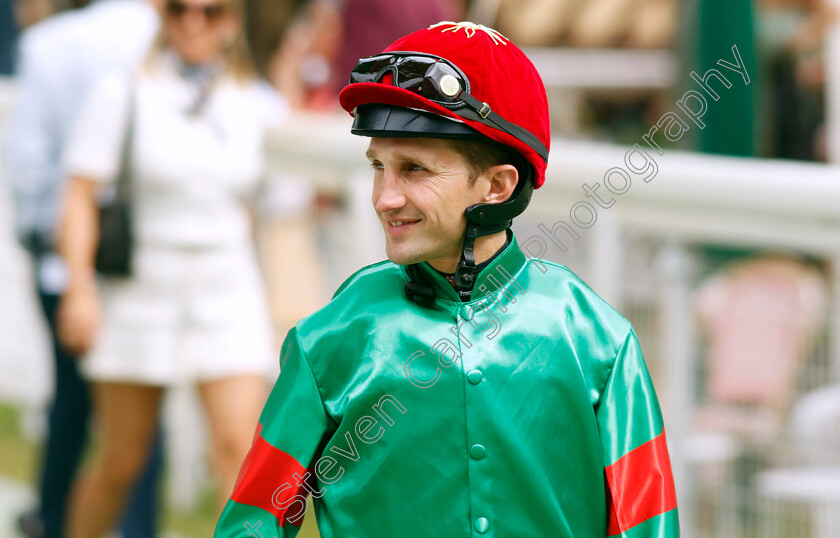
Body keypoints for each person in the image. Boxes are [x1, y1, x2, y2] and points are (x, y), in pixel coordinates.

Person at [215, 21, 679, 537]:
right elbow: (252, 523)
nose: (384, 198)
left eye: (414, 170)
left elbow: (649, 526)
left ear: (498, 186)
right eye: (378, 167)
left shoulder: (599, 343)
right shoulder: (330, 338)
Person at [56, 0, 285, 535]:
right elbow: (79, 195)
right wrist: (79, 289)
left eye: (211, 12)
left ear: (232, 21)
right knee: (122, 457)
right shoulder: (126, 90)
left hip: (227, 286)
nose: (193, 22)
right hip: (142, 285)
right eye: (180, 9)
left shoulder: (252, 101)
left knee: (240, 456)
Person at [4, 1, 162, 536]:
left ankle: (53, 519)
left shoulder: (50, 42)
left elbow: (29, 160)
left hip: (63, 252)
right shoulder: (165, 31)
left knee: (70, 403)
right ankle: (136, 526)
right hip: (142, 254)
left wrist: (41, 242)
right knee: (142, 413)